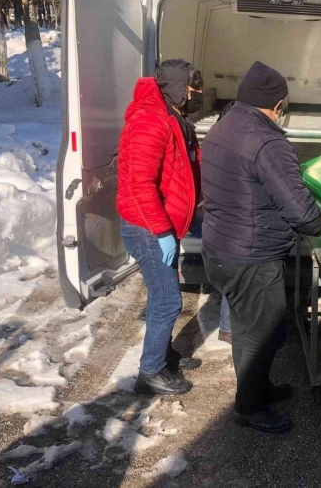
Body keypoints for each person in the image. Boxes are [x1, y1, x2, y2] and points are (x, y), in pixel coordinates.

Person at [201, 61, 321, 434]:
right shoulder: (267, 142)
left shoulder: (224, 126)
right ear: (278, 104)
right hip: (251, 257)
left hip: (221, 250)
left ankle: (256, 389)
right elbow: (299, 209)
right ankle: (250, 407)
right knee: (265, 333)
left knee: (245, 328)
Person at [117, 59, 205, 396]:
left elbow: (179, 171)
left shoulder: (171, 117)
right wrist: (162, 231)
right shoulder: (149, 122)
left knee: (163, 298)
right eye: (193, 89)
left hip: (162, 224)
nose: (197, 95)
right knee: (168, 301)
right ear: (178, 88)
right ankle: (150, 372)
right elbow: (139, 185)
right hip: (147, 227)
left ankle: (163, 355)